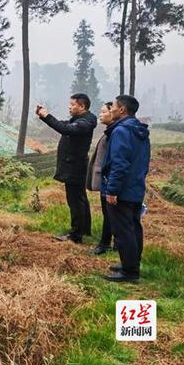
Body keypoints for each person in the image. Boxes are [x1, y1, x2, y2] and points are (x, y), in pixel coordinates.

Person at [101, 95, 150, 283]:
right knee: (133, 227)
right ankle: (131, 264)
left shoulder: (121, 131)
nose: (111, 109)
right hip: (135, 187)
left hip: (121, 190)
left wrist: (112, 190)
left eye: (113, 106)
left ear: (122, 110)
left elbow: (119, 163)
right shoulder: (139, 131)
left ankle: (129, 272)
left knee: (123, 231)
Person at [36, 93, 97, 243]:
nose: (69, 107)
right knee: (80, 198)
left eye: (73, 105)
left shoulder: (84, 123)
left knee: (75, 201)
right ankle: (84, 229)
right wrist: (45, 117)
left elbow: (65, 129)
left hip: (75, 167)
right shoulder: (81, 120)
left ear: (82, 106)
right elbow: (64, 125)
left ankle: (76, 235)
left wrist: (47, 116)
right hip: (75, 165)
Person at [86, 102, 116, 255]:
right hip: (107, 180)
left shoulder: (115, 134)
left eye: (103, 111)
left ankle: (105, 244)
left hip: (109, 181)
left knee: (110, 214)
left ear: (113, 113)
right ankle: (115, 243)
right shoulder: (109, 132)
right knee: (110, 214)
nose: (100, 114)